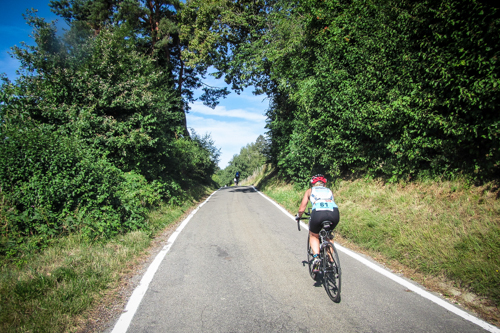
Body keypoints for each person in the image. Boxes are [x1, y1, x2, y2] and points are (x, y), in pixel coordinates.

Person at [296, 174, 339, 271]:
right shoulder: (329, 191)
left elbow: (302, 208)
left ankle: (316, 258)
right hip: (334, 213)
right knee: (328, 235)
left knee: (314, 235)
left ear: (313, 183)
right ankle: (331, 259)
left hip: (318, 213)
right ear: (324, 183)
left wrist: (299, 216)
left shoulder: (310, 191)